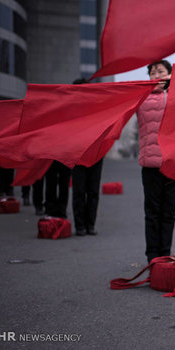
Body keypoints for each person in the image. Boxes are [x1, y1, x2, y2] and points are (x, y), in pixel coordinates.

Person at [137, 60, 175, 262]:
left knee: (168, 212)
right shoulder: (140, 99)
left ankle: (164, 254)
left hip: (173, 165)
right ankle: (152, 257)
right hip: (150, 166)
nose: (156, 76)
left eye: (161, 72)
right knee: (152, 212)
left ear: (170, 75)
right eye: (153, 73)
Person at [71, 78, 104, 236]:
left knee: (93, 191)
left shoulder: (97, 108)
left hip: (96, 154)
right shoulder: (71, 111)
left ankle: (90, 224)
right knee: (79, 190)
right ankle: (80, 225)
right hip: (77, 155)